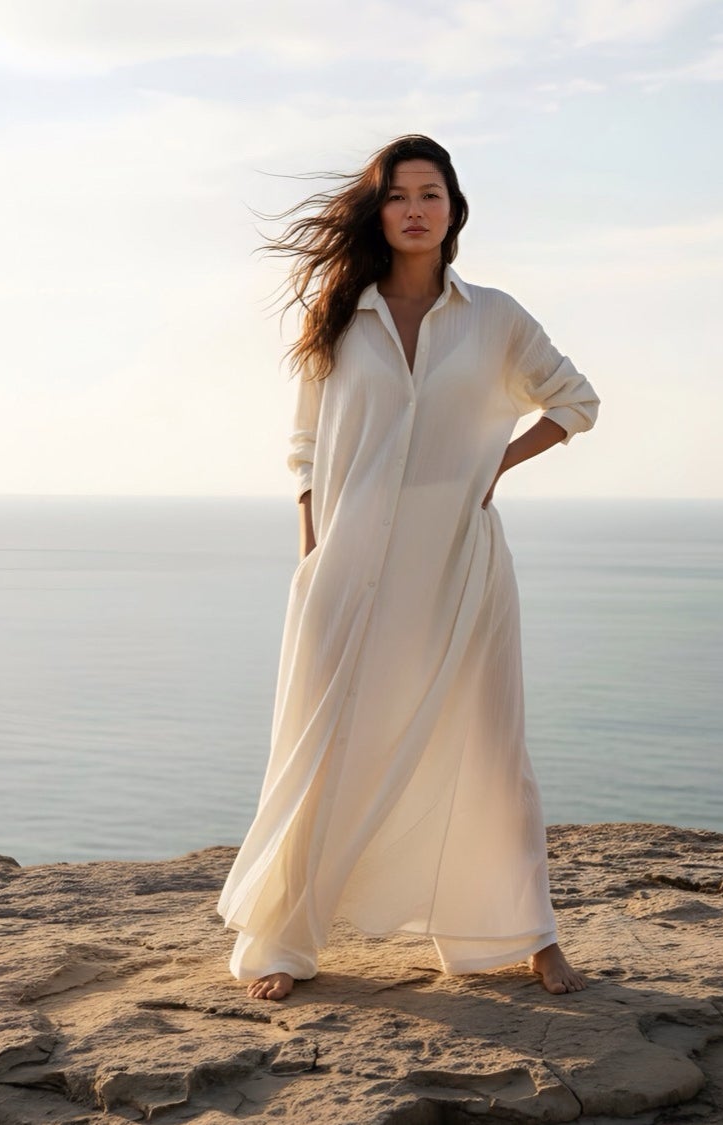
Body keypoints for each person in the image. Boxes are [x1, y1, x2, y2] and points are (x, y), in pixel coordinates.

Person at [216, 134, 599, 1001]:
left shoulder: (495, 317)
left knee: (491, 745)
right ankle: (283, 939)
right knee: (321, 743)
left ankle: (530, 934)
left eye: (431, 193)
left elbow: (575, 401)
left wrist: (495, 465)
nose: (415, 209)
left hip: (458, 565)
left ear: (455, 210)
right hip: (347, 567)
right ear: (378, 211)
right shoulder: (339, 317)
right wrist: (313, 549)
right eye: (398, 195)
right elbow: (305, 447)